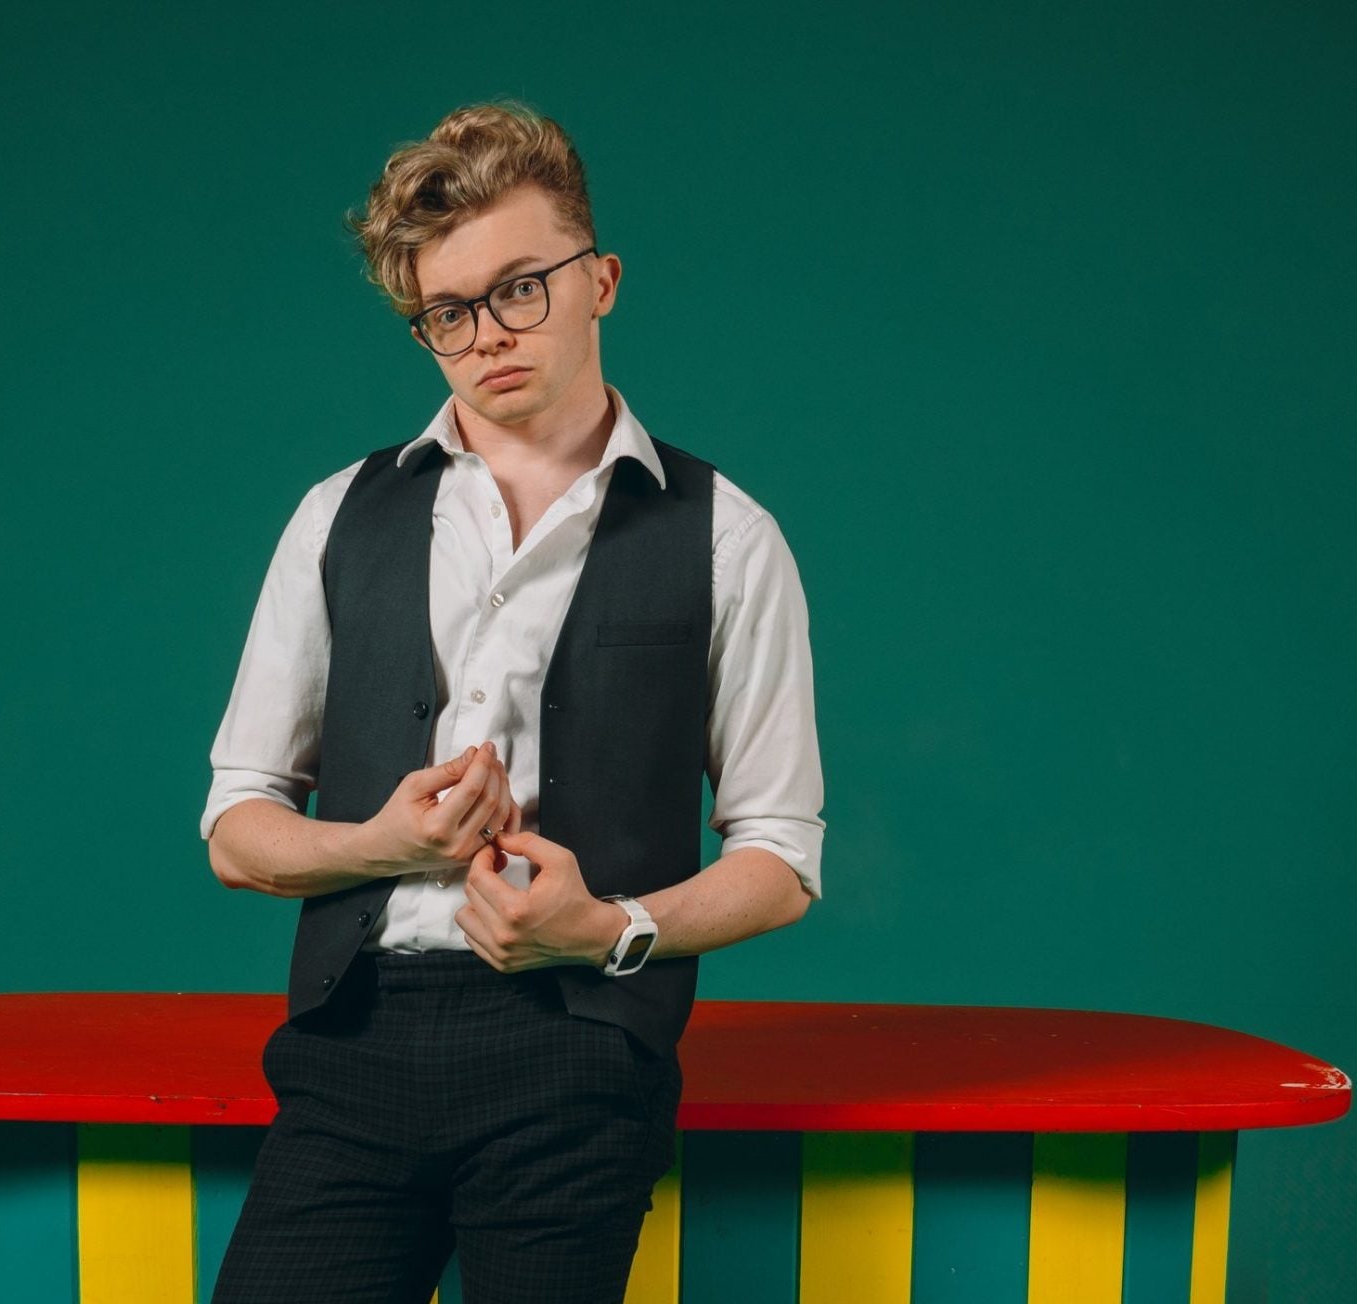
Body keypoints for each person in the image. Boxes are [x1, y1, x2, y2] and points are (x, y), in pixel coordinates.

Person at [199, 100, 826, 1304]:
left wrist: (609, 930)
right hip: (350, 1044)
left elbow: (780, 855)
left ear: (601, 280)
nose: (488, 333)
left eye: (521, 288)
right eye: (449, 311)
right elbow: (237, 823)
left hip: (580, 1055)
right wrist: (382, 844)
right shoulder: (337, 516)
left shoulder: (727, 538)